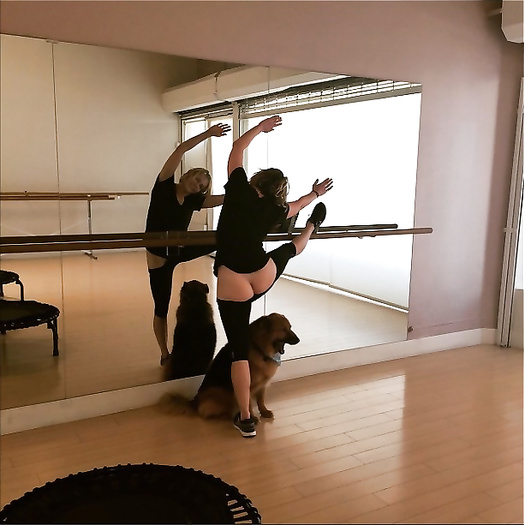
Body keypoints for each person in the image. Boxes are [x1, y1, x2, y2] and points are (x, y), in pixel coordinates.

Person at [214, 115, 333, 437]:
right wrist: (316, 193)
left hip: (233, 278)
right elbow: (297, 204)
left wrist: (260, 128)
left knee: (238, 351)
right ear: (276, 191)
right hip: (261, 272)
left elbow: (237, 148)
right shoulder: (275, 209)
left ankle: (245, 418)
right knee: (289, 250)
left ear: (257, 180)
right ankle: (312, 228)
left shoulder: (238, 188)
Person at [145, 123, 231, 365]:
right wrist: (208, 134)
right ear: (187, 175)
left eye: (202, 186)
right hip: (159, 257)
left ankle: (225, 269)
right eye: (197, 179)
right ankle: (165, 354)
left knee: (222, 237)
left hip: (179, 249)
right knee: (161, 307)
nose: (198, 185)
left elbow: (223, 200)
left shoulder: (193, 201)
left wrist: (251, 194)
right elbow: (181, 149)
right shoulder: (164, 185)